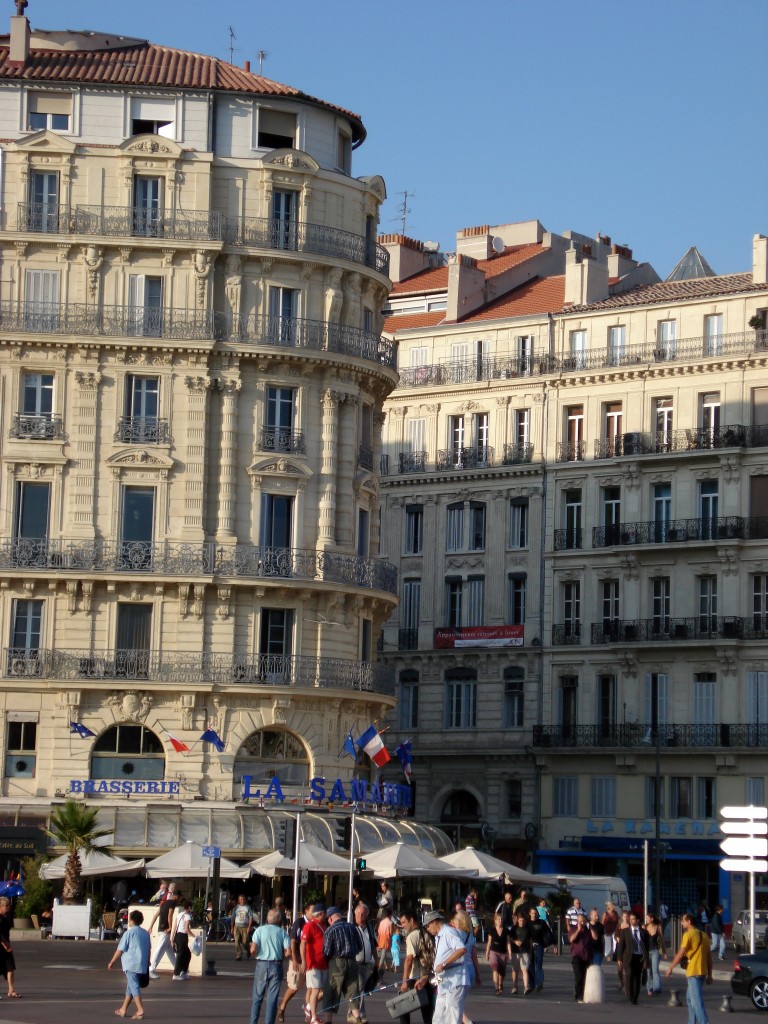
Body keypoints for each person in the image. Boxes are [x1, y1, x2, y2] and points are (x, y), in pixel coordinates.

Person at [666, 912, 713, 1024]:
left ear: (689, 922)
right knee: (689, 999)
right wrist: (710, 974)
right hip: (702, 972)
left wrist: (670, 967)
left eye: (683, 921)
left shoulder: (688, 935)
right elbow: (709, 957)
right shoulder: (704, 935)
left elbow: (681, 953)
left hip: (693, 972)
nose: (681, 923)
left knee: (697, 1002)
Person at [424, 910, 468, 1024]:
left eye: (427, 925)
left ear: (434, 922)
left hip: (455, 981)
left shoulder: (448, 932)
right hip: (444, 982)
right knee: (438, 1018)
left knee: (452, 1017)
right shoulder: (438, 936)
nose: (427, 929)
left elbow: (461, 949)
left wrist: (444, 964)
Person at [249, 907, 291, 1024]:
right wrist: (282, 955)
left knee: (257, 997)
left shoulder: (259, 930)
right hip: (276, 964)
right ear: (278, 919)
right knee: (272, 998)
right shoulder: (282, 932)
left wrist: (256, 954)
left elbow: (253, 949)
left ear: (267, 919)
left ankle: (253, 1022)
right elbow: (288, 952)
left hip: (262, 963)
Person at [321, 906, 362, 1024]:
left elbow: (326, 951)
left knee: (331, 990)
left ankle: (328, 1021)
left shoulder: (331, 930)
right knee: (352, 990)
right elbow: (360, 946)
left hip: (337, 961)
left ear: (330, 918)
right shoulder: (352, 927)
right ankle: (358, 1017)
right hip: (352, 961)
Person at [108, 908, 151, 1020]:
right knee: (130, 988)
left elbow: (120, 949)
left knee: (134, 987)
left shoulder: (129, 933)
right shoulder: (145, 933)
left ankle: (140, 1009)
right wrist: (148, 961)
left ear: (132, 920)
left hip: (131, 964)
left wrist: (112, 961)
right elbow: (148, 949)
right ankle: (123, 1009)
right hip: (142, 964)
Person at [279, 899, 313, 1024]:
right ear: (306, 911)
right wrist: (294, 959)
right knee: (294, 987)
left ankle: (309, 1013)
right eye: (312, 910)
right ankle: (282, 1007)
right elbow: (293, 941)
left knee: (311, 988)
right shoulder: (299, 922)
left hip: (311, 960)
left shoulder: (316, 923)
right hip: (298, 959)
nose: (315, 913)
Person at [398, 908, 435, 1024]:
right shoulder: (426, 932)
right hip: (427, 975)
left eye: (404, 922)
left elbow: (409, 960)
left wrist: (404, 981)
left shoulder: (412, 936)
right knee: (427, 1011)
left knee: (403, 1008)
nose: (402, 925)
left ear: (411, 920)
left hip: (414, 977)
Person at [301, 904, 328, 1024]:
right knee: (315, 990)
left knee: (325, 990)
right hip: (313, 963)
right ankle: (313, 1017)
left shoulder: (323, 926)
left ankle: (308, 1008)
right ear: (320, 914)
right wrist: (304, 961)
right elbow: (303, 944)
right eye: (325, 913)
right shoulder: (309, 926)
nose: (326, 916)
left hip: (323, 962)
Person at [451, 909, 479, 1024]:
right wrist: (478, 974)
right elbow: (474, 958)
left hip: (459, 970)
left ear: (459, 921)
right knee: (459, 1001)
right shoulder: (471, 937)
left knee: (454, 1002)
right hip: (470, 969)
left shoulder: (454, 935)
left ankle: (466, 1022)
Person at [616, 911, 650, 1005]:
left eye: (633, 919)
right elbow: (621, 945)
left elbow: (646, 946)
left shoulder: (643, 932)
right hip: (628, 957)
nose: (631, 921)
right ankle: (629, 995)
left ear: (638, 920)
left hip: (639, 957)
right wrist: (619, 958)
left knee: (637, 977)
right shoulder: (625, 931)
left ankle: (635, 997)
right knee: (629, 974)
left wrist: (646, 958)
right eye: (630, 919)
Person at [353, 902, 376, 1024]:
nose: (360, 916)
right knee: (360, 987)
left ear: (366, 915)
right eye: (358, 914)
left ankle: (352, 1013)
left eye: (363, 914)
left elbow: (373, 945)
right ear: (355, 914)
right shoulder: (352, 928)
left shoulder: (369, 928)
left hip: (366, 964)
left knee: (359, 989)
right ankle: (361, 1014)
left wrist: (377, 961)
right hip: (355, 963)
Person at [148, 888, 177, 977]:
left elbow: (155, 916)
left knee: (169, 951)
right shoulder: (172, 904)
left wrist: (151, 927)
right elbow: (170, 915)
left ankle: (178, 969)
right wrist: (170, 927)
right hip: (165, 930)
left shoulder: (163, 903)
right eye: (177, 897)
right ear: (174, 896)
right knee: (159, 949)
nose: (178, 899)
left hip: (160, 929)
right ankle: (151, 969)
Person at [568, 911, 593, 1003]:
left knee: (585, 977)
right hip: (577, 956)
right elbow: (571, 939)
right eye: (580, 921)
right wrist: (578, 931)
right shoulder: (573, 929)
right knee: (578, 976)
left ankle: (580, 993)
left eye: (583, 921)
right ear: (577, 922)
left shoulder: (587, 931)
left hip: (586, 956)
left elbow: (593, 940)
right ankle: (579, 996)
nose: (582, 923)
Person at [484, 913, 512, 995]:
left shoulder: (506, 931)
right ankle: (496, 987)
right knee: (495, 969)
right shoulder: (492, 930)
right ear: (495, 921)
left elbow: (508, 943)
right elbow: (489, 943)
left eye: (501, 919)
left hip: (503, 953)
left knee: (502, 972)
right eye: (498, 919)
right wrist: (487, 953)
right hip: (494, 952)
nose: (500, 921)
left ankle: (500, 983)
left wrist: (510, 953)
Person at [0, 896, 20, 998]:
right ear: (0, 906)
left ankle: (11, 990)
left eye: (9, 905)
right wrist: (4, 944)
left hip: (6, 946)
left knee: (10, 968)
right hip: (2, 946)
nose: (8, 907)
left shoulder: (6, 917)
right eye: (6, 905)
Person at [170, 897, 193, 981]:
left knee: (187, 954)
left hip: (177, 935)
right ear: (189, 907)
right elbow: (187, 929)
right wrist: (194, 936)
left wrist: (172, 938)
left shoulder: (179, 914)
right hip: (183, 936)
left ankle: (183, 971)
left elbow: (174, 927)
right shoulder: (188, 916)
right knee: (180, 955)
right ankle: (176, 974)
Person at [510, 911, 532, 995]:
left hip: (525, 951)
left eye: (523, 920)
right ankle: (515, 986)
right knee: (515, 970)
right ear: (517, 920)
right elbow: (509, 939)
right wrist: (515, 942)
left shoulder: (528, 929)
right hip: (515, 951)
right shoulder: (514, 929)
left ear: (525, 921)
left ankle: (526, 987)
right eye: (520, 920)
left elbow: (530, 941)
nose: (521, 922)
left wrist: (530, 952)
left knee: (525, 969)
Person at [645, 912, 667, 995]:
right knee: (648, 970)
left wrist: (664, 952)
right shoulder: (645, 927)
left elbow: (661, 940)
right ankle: (649, 988)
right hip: (647, 951)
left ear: (652, 919)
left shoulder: (658, 927)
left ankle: (657, 988)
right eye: (646, 918)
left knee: (655, 970)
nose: (646, 919)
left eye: (648, 918)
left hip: (656, 951)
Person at [528, 906, 549, 992]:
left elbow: (547, 934)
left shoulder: (541, 922)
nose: (534, 915)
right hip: (529, 946)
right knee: (530, 965)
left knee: (538, 964)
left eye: (535, 913)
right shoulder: (527, 923)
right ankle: (532, 984)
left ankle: (539, 983)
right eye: (532, 913)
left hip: (539, 945)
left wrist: (547, 945)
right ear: (530, 913)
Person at [233, 894, 256, 961]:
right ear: (238, 900)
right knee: (236, 941)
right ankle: (239, 955)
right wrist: (232, 927)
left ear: (245, 900)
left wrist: (249, 927)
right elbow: (232, 918)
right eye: (241, 899)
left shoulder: (248, 908)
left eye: (243, 899)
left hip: (245, 927)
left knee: (245, 941)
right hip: (237, 926)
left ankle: (248, 949)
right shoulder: (236, 908)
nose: (242, 901)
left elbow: (250, 918)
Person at [376, 907, 393, 973]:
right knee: (383, 952)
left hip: (380, 936)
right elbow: (391, 933)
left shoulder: (382, 922)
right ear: (390, 915)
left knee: (383, 952)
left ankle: (386, 966)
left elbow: (378, 930)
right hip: (386, 937)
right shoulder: (390, 923)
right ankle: (379, 966)